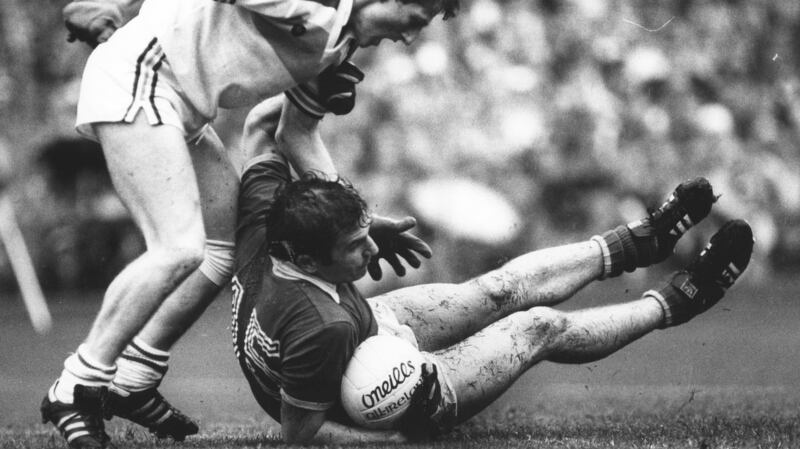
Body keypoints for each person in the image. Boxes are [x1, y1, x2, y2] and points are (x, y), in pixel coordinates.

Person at [42, 0, 452, 446]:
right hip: (140, 78)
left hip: (182, 104)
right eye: (414, 20)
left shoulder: (339, 42)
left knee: (219, 251)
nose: (409, 37)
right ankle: (76, 387)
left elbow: (294, 133)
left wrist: (356, 221)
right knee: (177, 248)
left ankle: (133, 378)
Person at [230, 102, 754, 444]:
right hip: (391, 392)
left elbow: (260, 126)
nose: (371, 248)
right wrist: (393, 428)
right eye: (354, 245)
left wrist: (308, 86)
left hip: (361, 327)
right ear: (307, 261)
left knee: (497, 288)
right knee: (538, 326)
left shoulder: (264, 227)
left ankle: (639, 242)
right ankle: (678, 301)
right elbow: (300, 437)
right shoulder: (322, 328)